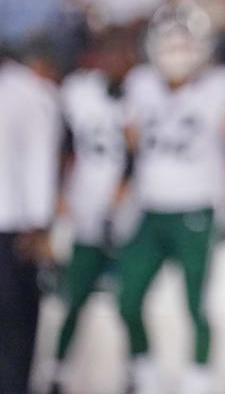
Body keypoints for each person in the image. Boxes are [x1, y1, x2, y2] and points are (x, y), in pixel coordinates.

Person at [118, 2, 225, 394]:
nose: (177, 53)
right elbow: (129, 146)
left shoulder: (223, 86)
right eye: (170, 44)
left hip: (197, 206)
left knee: (196, 303)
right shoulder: (140, 84)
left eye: (185, 44)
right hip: (149, 207)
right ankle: (145, 373)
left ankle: (199, 379)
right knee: (127, 297)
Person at [47, 26, 138, 394]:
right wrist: (59, 192)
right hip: (86, 208)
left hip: (127, 214)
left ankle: (135, 372)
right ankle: (58, 370)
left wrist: (125, 188)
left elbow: (137, 150)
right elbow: (62, 143)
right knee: (76, 296)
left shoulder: (140, 94)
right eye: (111, 55)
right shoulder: (78, 93)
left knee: (129, 302)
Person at [0, 53, 61, 394]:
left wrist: (38, 224)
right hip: (14, 226)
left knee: (14, 324)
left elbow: (40, 160)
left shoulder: (28, 92)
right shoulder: (28, 92)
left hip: (13, 228)